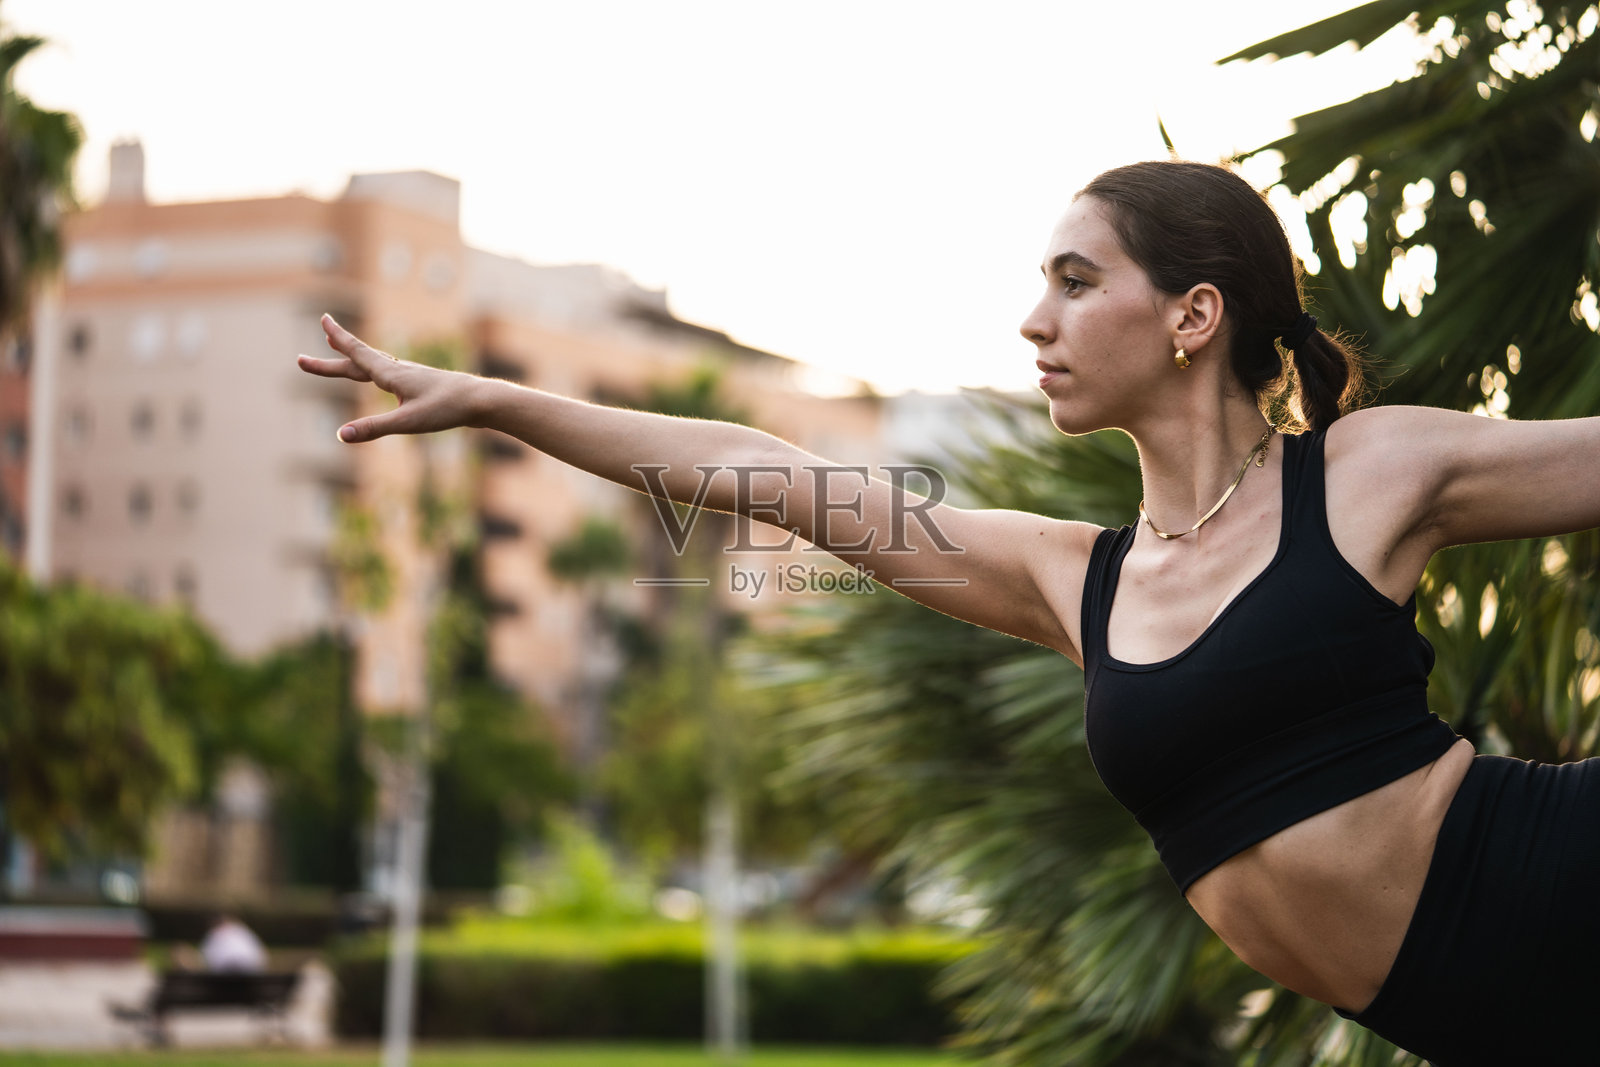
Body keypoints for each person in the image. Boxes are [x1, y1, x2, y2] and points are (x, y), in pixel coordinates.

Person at [297, 160, 1600, 1065]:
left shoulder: (1371, 474)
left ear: (1195, 313)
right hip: (1468, 1014)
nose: (1037, 319)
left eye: (1078, 281)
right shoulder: (1070, 577)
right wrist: (490, 398)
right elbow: (769, 472)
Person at [197, 913, 268, 973]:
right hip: (250, 975)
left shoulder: (213, 934)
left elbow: (205, 960)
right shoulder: (243, 931)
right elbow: (261, 957)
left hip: (223, 977)